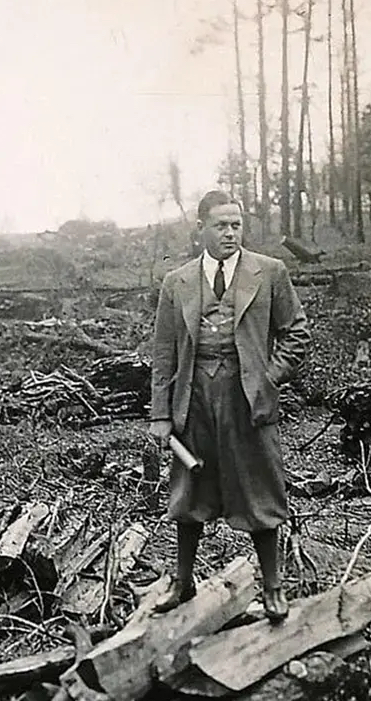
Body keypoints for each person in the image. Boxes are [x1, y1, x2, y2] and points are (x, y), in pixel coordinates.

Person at [147, 190, 311, 623]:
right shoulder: (176, 282)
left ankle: (273, 587)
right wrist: (161, 414)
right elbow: (164, 353)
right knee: (188, 493)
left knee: (259, 489)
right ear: (200, 228)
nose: (230, 233)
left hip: (247, 401)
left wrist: (267, 377)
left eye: (236, 224)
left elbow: (296, 334)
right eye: (221, 225)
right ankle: (183, 583)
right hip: (193, 398)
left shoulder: (270, 272)